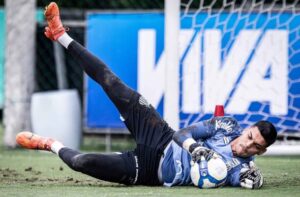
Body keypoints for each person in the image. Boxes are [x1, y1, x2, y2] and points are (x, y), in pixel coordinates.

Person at [16, 2, 277, 189]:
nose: (248, 145)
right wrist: (196, 149)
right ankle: (60, 35)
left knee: (84, 162)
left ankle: (49, 144)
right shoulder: (227, 125)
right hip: (160, 134)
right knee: (112, 82)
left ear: (261, 152)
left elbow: (248, 181)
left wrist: (254, 180)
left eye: (256, 147)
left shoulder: (241, 168)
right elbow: (182, 134)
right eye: (251, 137)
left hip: (152, 171)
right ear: (248, 129)